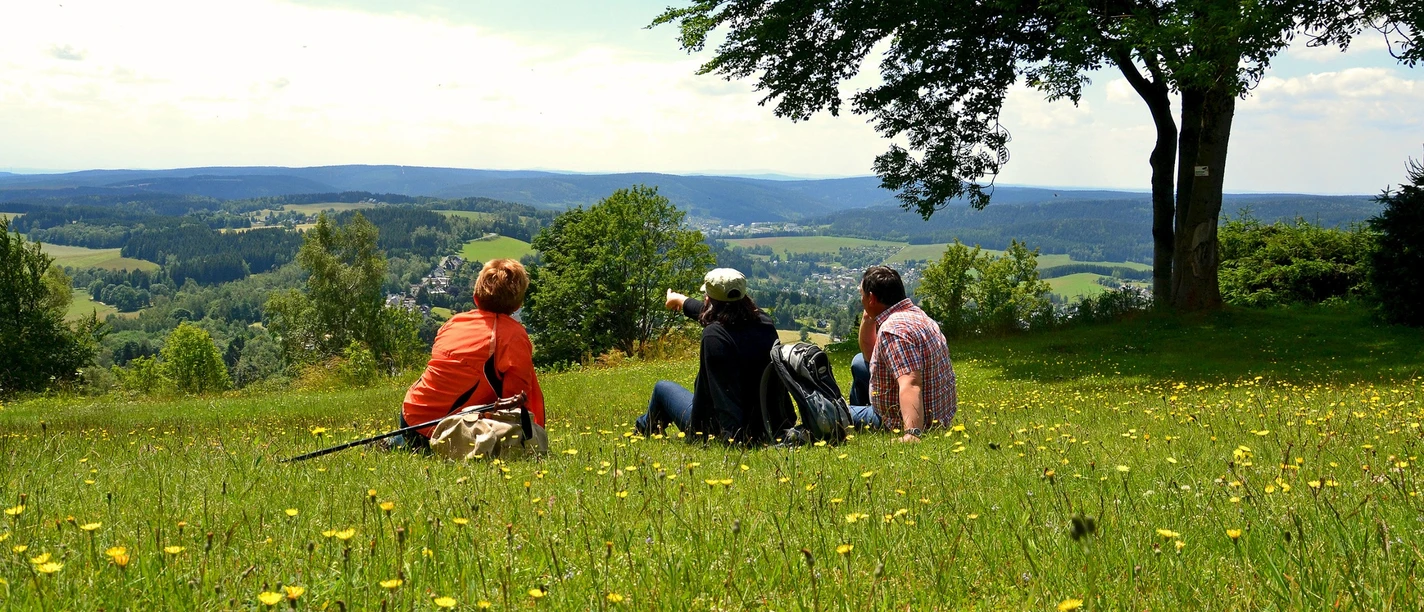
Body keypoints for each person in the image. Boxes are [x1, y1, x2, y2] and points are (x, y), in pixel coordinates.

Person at [396, 259, 546, 450]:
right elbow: (513, 404)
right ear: (518, 306)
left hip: (409, 416)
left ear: (476, 297)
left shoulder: (454, 322)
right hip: (446, 431)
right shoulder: (514, 336)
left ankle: (400, 442)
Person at [636, 268, 778, 443]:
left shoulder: (714, 337)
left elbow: (723, 393)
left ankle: (641, 431)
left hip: (711, 429)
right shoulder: (764, 323)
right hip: (766, 423)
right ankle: (647, 430)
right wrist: (681, 300)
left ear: (709, 299)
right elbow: (712, 313)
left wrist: (733, 439)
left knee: (662, 389)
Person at [848, 265, 957, 443]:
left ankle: (866, 422)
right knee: (860, 363)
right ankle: (862, 412)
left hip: (908, 421)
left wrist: (912, 433)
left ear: (872, 299)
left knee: (828, 413)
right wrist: (869, 314)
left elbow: (911, 383)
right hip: (937, 414)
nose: (862, 301)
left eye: (863, 296)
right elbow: (870, 355)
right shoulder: (916, 314)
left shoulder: (894, 331)